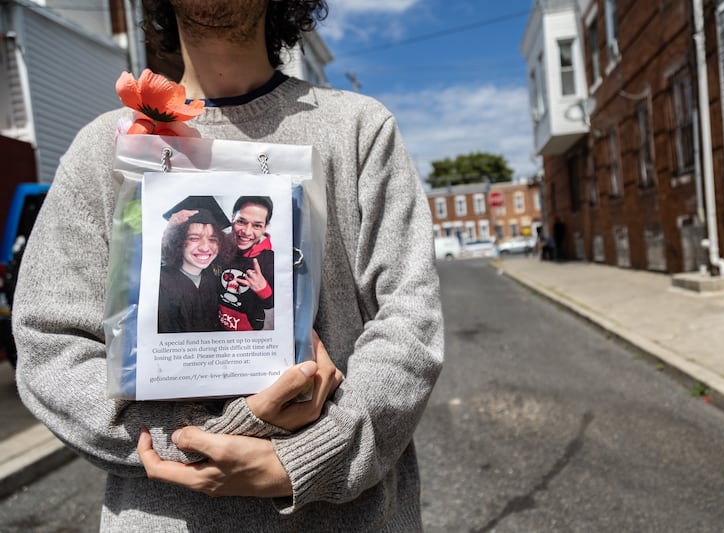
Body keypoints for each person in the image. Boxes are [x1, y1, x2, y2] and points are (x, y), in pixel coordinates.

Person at [12, 1, 443, 532]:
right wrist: (203, 438)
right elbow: (50, 344)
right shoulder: (107, 148)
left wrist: (314, 453)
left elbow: (409, 322)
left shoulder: (359, 129)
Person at [158, 197, 231, 333]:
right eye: (194, 238)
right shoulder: (161, 283)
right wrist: (168, 233)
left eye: (213, 239)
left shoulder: (212, 277)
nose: (205, 247)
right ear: (178, 241)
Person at [219, 196, 276, 331]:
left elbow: (270, 304)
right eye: (241, 222)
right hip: (215, 325)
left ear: (265, 227)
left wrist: (263, 289)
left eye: (257, 225)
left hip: (249, 330)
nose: (246, 232)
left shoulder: (270, 260)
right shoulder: (218, 247)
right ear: (232, 219)